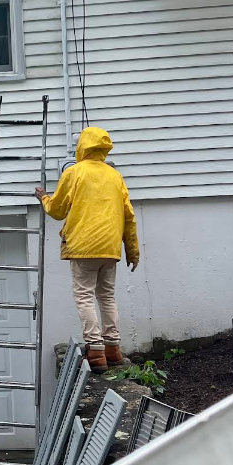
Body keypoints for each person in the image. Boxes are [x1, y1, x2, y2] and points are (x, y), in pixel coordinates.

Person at [34, 127, 139, 374]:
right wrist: (132, 251)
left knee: (84, 297)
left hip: (83, 247)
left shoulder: (75, 172)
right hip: (110, 248)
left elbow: (58, 211)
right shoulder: (115, 176)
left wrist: (44, 198)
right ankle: (113, 349)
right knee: (107, 296)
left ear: (82, 147)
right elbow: (129, 216)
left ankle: (96, 352)